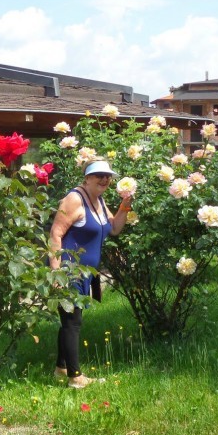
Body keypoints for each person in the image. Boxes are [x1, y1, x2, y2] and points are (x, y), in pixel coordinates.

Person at [49, 159, 133, 389]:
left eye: (108, 176)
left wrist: (125, 205)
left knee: (70, 320)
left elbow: (114, 228)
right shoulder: (75, 199)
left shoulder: (98, 200)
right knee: (72, 323)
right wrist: (56, 274)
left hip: (85, 272)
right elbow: (55, 235)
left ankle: (61, 368)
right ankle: (76, 378)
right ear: (87, 178)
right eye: (99, 175)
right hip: (69, 271)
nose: (104, 179)